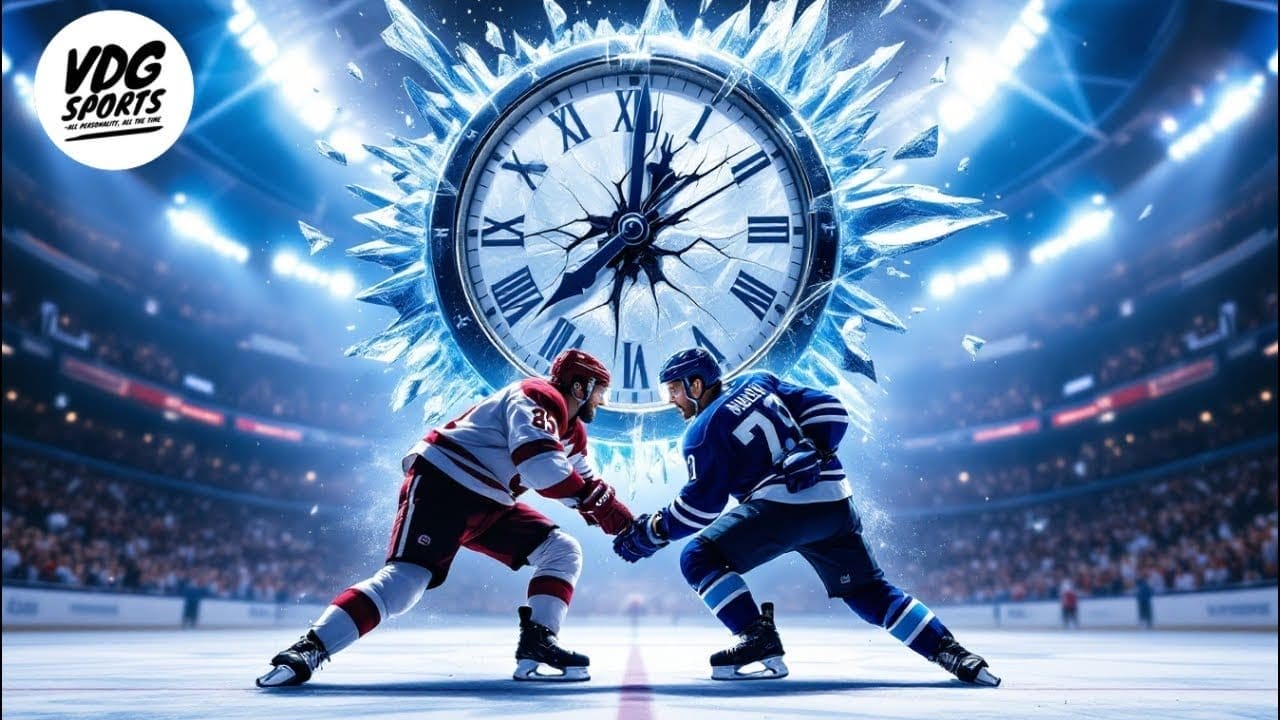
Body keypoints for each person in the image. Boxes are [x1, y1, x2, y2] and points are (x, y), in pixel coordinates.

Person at [613, 348, 1000, 686]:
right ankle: (952, 653)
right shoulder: (758, 380)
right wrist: (814, 447)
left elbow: (701, 506)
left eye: (674, 389)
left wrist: (654, 530)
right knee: (869, 592)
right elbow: (831, 410)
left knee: (697, 557)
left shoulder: (700, 432)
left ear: (696, 384)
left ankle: (757, 638)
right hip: (834, 502)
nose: (672, 400)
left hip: (780, 508)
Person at [257, 350, 634, 687]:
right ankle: (310, 647)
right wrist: (595, 504)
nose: (601, 400)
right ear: (581, 385)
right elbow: (541, 467)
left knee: (562, 551)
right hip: (448, 483)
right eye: (599, 391)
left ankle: (538, 642)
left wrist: (629, 525)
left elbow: (585, 482)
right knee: (405, 583)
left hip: (489, 498)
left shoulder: (571, 429)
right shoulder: (539, 395)